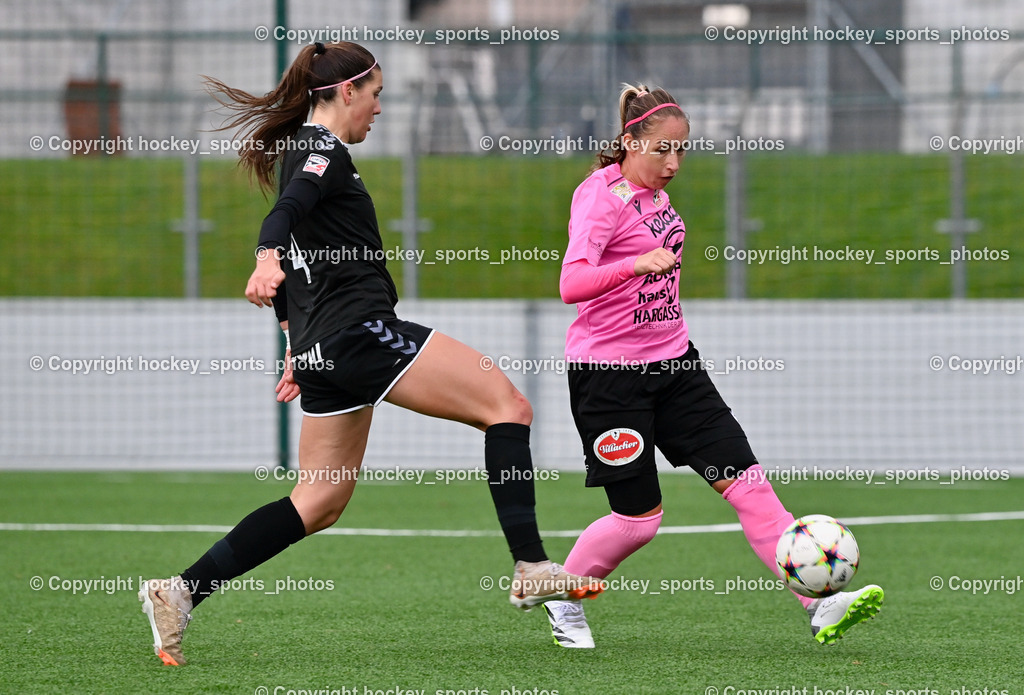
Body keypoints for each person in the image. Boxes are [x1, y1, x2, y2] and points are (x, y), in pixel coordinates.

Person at [137, 41, 601, 667]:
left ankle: (181, 591)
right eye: (377, 94)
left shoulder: (304, 151)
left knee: (316, 502)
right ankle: (530, 565)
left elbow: (304, 250)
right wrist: (264, 257)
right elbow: (286, 217)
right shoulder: (321, 151)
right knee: (508, 406)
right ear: (347, 91)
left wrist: (292, 342)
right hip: (359, 334)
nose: (380, 108)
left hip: (325, 344)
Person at [541, 83, 884, 648]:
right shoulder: (599, 197)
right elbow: (571, 284)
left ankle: (819, 606)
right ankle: (565, 597)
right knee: (638, 522)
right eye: (662, 150)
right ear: (631, 141)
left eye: (682, 151)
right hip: (610, 380)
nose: (673, 164)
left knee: (749, 486)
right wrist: (633, 266)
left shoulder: (657, 198)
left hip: (678, 368)